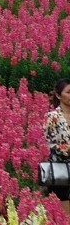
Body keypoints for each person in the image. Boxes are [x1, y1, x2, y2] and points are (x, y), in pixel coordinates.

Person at [44, 79, 70, 215]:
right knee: (66, 217)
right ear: (58, 95)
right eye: (68, 92)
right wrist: (67, 149)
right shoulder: (52, 117)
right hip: (60, 171)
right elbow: (50, 145)